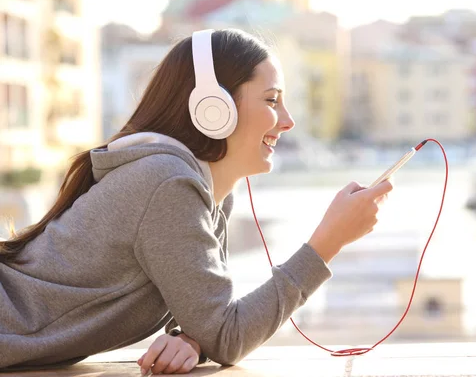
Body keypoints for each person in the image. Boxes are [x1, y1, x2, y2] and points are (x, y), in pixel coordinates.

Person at [0, 28, 393, 374]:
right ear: (213, 110)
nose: (288, 120)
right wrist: (327, 243)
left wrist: (193, 339)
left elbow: (214, 323)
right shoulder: (167, 184)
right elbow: (228, 333)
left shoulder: (202, 190)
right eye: (272, 100)